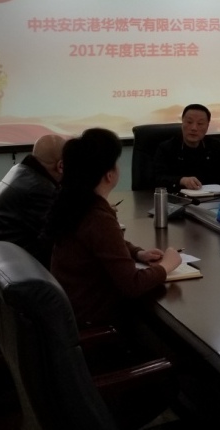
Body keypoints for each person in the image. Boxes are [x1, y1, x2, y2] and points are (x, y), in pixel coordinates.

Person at [47, 129, 182, 329]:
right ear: (109, 175)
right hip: (93, 322)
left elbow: (104, 244)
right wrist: (167, 265)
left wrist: (138, 253)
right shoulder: (97, 217)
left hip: (74, 308)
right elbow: (133, 285)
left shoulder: (75, 203)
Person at [0, 134, 66, 268]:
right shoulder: (40, 188)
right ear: (61, 166)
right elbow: (56, 237)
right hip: (5, 268)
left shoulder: (21, 171)